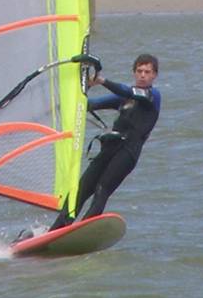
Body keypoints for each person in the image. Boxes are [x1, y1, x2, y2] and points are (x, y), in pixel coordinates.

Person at [45, 53, 161, 230]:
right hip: (109, 150)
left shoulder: (152, 97)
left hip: (127, 153)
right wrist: (75, 93)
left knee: (102, 189)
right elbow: (90, 104)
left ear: (154, 75)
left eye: (147, 72)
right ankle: (55, 231)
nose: (143, 75)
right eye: (139, 71)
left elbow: (127, 91)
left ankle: (82, 231)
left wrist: (101, 81)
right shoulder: (123, 99)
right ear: (134, 73)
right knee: (80, 190)